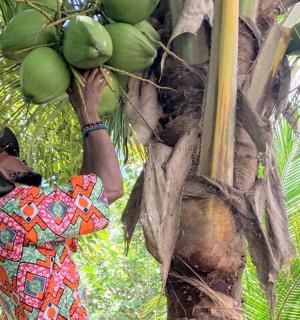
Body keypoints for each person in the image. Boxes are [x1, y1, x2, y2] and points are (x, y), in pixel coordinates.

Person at [0, 69, 123, 320]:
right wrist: (90, 114)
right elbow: (111, 188)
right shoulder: (14, 210)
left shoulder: (18, 214)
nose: (22, 158)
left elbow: (89, 189)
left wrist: (83, 117)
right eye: (9, 152)